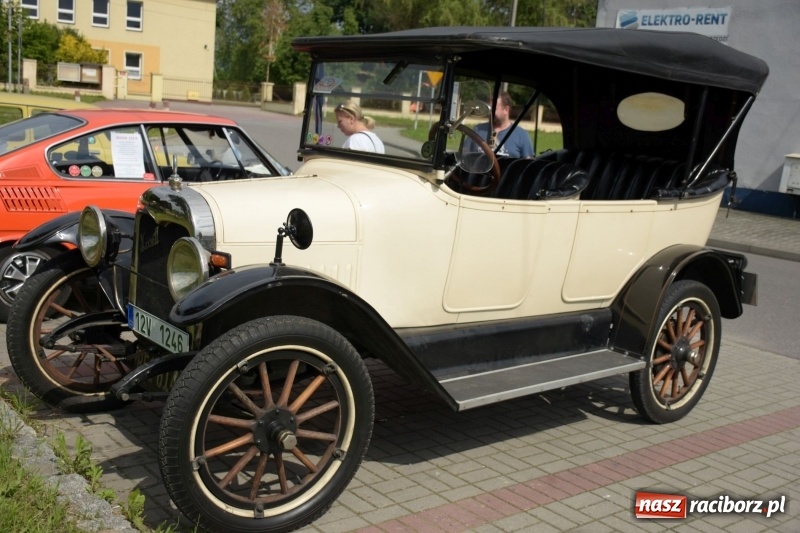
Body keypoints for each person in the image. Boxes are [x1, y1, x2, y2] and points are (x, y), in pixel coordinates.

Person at [474, 92, 534, 158]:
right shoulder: (477, 130)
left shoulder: (521, 135)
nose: (490, 113)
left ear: (506, 110)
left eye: (493, 109)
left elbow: (528, 162)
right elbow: (466, 156)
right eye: (489, 109)